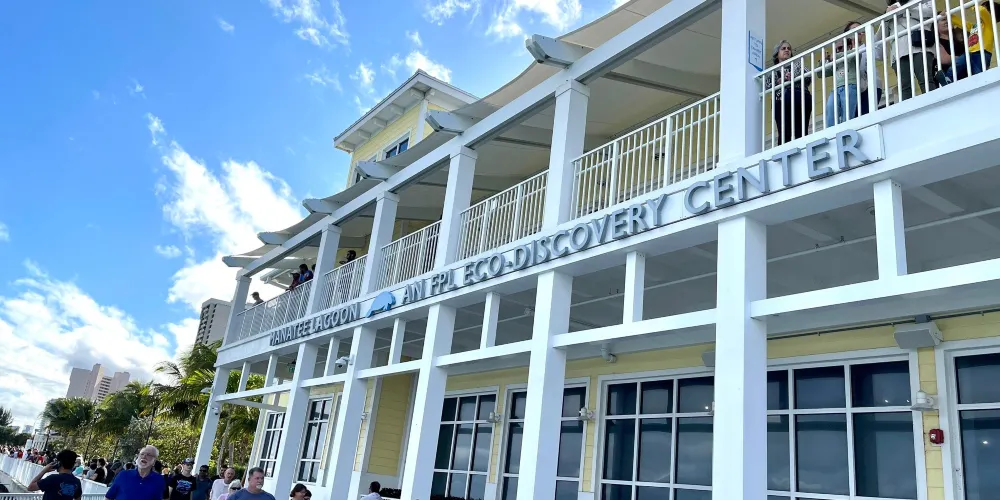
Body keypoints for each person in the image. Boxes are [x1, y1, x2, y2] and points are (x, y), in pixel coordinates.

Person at [886, 0, 937, 101]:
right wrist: (887, 17)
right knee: (904, 85)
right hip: (899, 50)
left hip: (920, 45)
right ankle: (908, 108)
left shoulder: (921, 1)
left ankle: (933, 103)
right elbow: (880, 36)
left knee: (925, 79)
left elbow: (931, 12)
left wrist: (904, 10)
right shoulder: (891, 7)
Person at [764, 40, 813, 144]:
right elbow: (767, 86)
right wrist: (779, 81)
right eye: (783, 48)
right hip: (781, 101)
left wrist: (794, 76)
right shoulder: (772, 71)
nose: (787, 50)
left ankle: (802, 146)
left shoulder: (798, 64)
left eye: (789, 48)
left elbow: (809, 77)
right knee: (784, 131)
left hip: (800, 97)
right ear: (777, 53)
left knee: (801, 129)